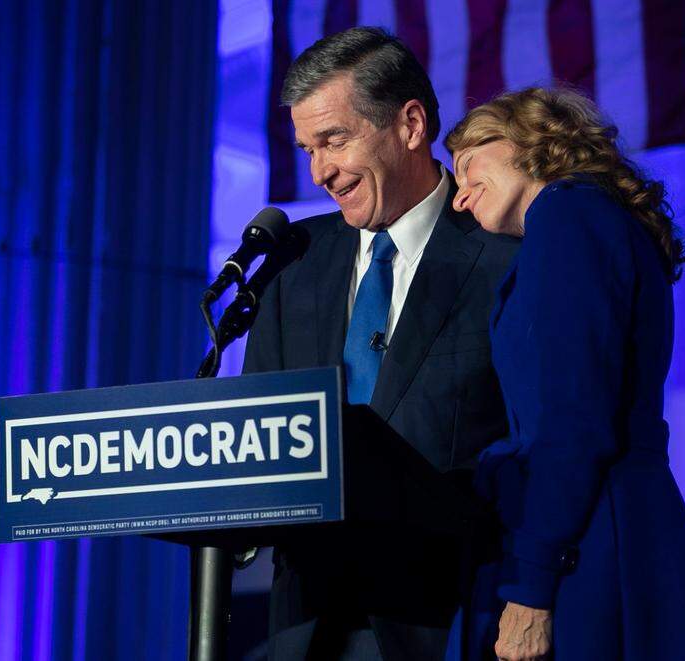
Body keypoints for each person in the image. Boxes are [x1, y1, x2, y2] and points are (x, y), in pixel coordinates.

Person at [242, 28, 518, 661]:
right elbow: (261, 438)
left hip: (448, 621)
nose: (320, 172)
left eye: (335, 140)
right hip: (308, 623)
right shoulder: (293, 262)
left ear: (410, 125)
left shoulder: (504, 257)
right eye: (308, 149)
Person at [443, 87, 685, 661]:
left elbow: (573, 421)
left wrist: (531, 586)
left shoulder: (568, 214)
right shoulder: (582, 219)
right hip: (603, 527)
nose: (459, 195)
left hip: (591, 543)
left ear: (527, 139)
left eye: (469, 163)